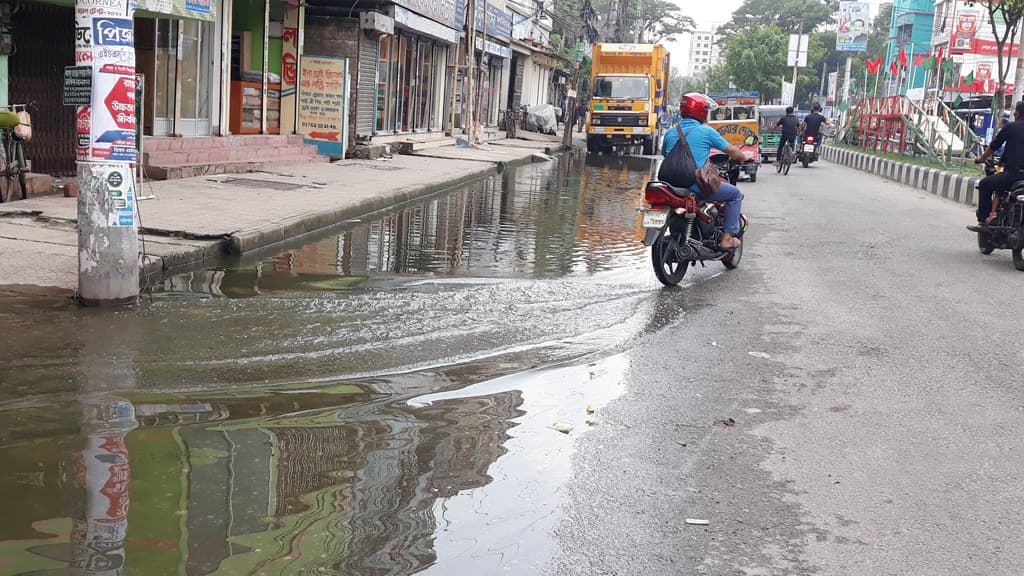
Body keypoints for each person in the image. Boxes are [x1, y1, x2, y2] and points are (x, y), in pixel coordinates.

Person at [661, 92, 749, 249]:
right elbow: (730, 150)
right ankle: (727, 238)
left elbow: (665, 154)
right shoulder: (706, 131)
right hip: (695, 185)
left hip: (670, 187)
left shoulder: (669, 133)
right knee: (735, 195)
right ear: (702, 111)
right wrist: (743, 157)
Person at [973, 101, 1024, 225]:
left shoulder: (1011, 127)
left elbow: (994, 146)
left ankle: (984, 220)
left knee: (984, 184)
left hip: (1013, 175)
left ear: (1016, 114)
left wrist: (981, 159)